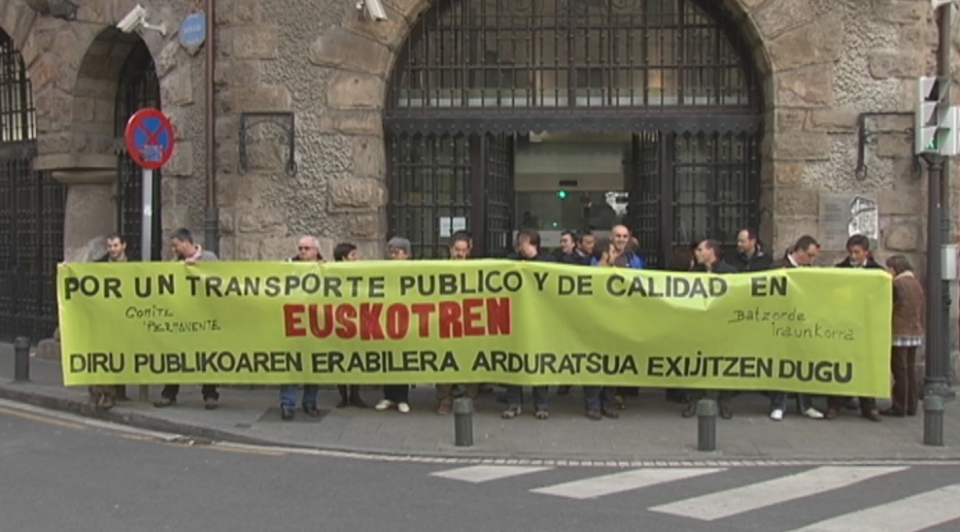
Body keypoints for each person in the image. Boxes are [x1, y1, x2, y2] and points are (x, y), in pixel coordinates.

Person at [154, 228, 221, 410]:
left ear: (186, 242)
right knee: (176, 355)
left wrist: (196, 269)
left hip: (204, 316)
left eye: (176, 246)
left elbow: (218, 280)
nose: (174, 250)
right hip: (181, 317)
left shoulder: (209, 258)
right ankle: (169, 393)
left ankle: (210, 394)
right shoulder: (174, 262)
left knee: (206, 355)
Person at [825, 234, 883, 421]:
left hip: (866, 326)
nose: (853, 256)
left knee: (865, 366)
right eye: (850, 252)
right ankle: (835, 405)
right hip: (845, 324)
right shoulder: (840, 270)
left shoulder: (877, 272)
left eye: (857, 252)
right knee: (841, 363)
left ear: (866, 252)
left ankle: (868, 406)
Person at [768, 235, 825, 421]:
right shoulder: (778, 267)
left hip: (803, 324)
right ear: (799, 251)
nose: (811, 260)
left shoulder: (809, 270)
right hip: (782, 323)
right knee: (783, 364)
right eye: (809, 255)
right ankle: (778, 404)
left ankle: (806, 404)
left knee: (804, 364)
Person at [502, 229, 554, 420]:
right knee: (514, 361)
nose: (518, 246)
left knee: (539, 362)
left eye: (521, 242)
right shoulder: (511, 261)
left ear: (530, 243)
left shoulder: (548, 263)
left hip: (540, 320)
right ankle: (514, 403)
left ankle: (541, 404)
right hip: (516, 319)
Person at [682, 239, 737, 419]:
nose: (696, 253)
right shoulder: (694, 272)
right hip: (699, 326)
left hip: (722, 325)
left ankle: (725, 402)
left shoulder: (729, 272)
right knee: (696, 362)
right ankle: (694, 400)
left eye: (700, 250)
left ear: (710, 252)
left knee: (724, 363)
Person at [591, 224, 644, 411]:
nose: (621, 239)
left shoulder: (634, 260)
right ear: (611, 237)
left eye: (624, 236)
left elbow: (641, 283)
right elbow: (590, 280)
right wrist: (607, 263)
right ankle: (593, 404)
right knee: (596, 362)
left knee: (614, 363)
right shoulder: (598, 256)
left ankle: (608, 402)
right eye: (618, 236)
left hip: (622, 316)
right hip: (600, 316)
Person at [278, 236, 325, 421]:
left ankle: (310, 402)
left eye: (306, 248)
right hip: (294, 322)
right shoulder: (288, 266)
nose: (303, 252)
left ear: (316, 251)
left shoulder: (325, 268)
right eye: (300, 248)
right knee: (291, 363)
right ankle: (287, 404)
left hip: (315, 323)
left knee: (313, 364)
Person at [435, 233, 480, 414]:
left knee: (472, 360)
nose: (460, 254)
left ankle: (469, 397)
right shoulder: (440, 269)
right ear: (450, 249)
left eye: (464, 250)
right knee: (445, 361)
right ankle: (444, 399)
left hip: (469, 322)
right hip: (446, 321)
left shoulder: (477, 270)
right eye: (457, 250)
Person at [374, 237, 414, 414]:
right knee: (387, 359)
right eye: (391, 252)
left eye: (397, 252)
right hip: (386, 320)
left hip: (406, 320)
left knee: (402, 360)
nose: (393, 255)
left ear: (407, 254)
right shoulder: (382, 270)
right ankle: (388, 396)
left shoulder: (414, 271)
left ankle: (402, 398)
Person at [883, 255, 925, 417]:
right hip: (915, 330)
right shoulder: (915, 283)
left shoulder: (897, 284)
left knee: (899, 370)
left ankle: (900, 406)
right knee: (910, 369)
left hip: (899, 330)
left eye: (889, 268)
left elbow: (891, 304)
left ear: (895, 268)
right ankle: (911, 405)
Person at [332, 242, 367, 408]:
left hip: (356, 321)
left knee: (356, 359)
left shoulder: (359, 273)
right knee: (341, 359)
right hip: (339, 323)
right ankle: (343, 396)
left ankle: (355, 394)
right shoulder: (331, 274)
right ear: (344, 258)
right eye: (353, 255)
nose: (356, 258)